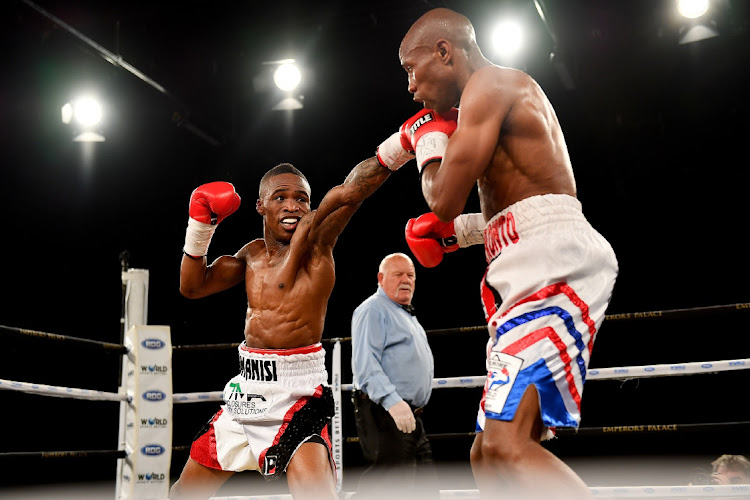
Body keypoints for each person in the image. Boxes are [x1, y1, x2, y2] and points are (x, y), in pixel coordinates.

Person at [376, 7, 619, 500]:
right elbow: (516, 205)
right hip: (525, 261)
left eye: (410, 69)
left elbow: (443, 197)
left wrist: (427, 140)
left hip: (552, 263)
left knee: (506, 446)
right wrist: (460, 235)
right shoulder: (486, 100)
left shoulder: (489, 85)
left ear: (444, 52)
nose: (410, 87)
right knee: (486, 453)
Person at [169, 154, 400, 500]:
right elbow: (192, 287)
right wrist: (202, 225)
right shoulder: (252, 255)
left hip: (298, 392)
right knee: (183, 493)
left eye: (301, 198)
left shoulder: (317, 248)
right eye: (280, 197)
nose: (292, 206)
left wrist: (400, 147)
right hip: (247, 391)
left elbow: (350, 191)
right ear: (261, 206)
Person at [350, 252, 438, 499]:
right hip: (385, 411)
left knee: (425, 486)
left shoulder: (404, 313)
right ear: (380, 278)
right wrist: (393, 402)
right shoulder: (373, 309)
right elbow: (365, 365)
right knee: (388, 485)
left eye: (411, 275)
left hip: (409, 414)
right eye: (398, 274)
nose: (406, 280)